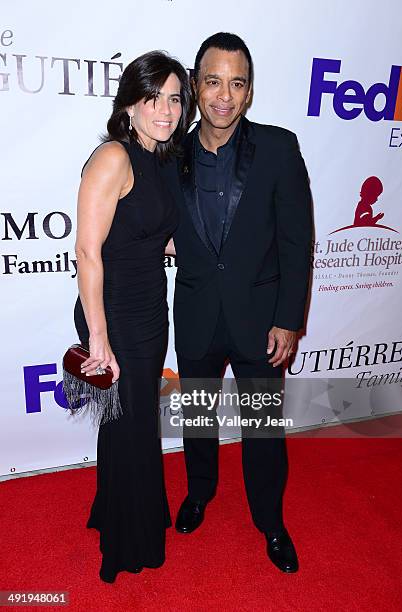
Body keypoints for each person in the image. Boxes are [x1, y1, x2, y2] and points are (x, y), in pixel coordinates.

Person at [162, 33, 312, 573]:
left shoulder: (278, 147)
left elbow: (297, 241)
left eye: (237, 83)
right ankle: (199, 492)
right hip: (198, 313)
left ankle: (271, 522)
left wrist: (288, 320)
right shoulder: (168, 153)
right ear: (195, 87)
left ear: (248, 93)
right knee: (198, 418)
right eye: (212, 81)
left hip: (260, 319)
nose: (223, 96)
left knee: (264, 430)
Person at [73, 50, 191, 583]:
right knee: (131, 427)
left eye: (174, 98)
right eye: (154, 97)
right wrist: (99, 339)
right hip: (114, 315)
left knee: (131, 424)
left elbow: (149, 233)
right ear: (130, 104)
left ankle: (114, 512)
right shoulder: (114, 158)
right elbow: (88, 252)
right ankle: (127, 542)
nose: (165, 109)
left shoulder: (161, 157)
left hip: (149, 309)